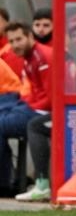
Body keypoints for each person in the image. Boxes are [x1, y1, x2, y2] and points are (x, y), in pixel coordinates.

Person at [0, 21, 51, 197]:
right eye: (11, 41)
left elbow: (51, 98)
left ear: (30, 36)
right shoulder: (30, 58)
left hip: (44, 113)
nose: (15, 45)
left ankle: (5, 184)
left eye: (19, 39)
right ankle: (8, 181)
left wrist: (27, 107)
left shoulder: (42, 57)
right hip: (31, 106)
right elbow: (35, 92)